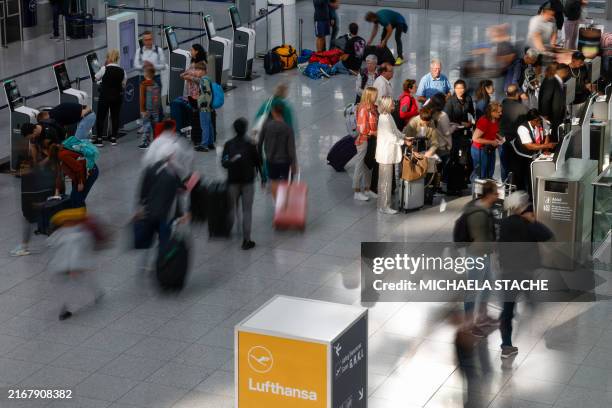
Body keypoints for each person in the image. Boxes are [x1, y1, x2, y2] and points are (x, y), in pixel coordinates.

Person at [498, 191, 553, 358]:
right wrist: (534, 221)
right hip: (525, 274)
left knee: (507, 310)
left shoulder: (504, 224)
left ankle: (506, 345)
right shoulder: (527, 224)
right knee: (532, 302)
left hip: (508, 274)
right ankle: (542, 331)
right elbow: (548, 236)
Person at [47, 207, 104, 321]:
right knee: (83, 281)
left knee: (69, 286)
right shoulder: (80, 234)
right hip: (74, 265)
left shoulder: (63, 233)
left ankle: (66, 308)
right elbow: (78, 251)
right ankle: (97, 293)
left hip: (66, 266)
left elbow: (51, 244)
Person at [462, 180, 498, 337]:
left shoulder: (484, 208)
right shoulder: (478, 213)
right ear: (489, 194)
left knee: (488, 283)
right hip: (477, 254)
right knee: (473, 289)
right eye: (496, 193)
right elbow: (481, 239)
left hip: (484, 254)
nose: (497, 196)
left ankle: (482, 316)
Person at [222, 118, 262, 250]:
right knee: (247, 211)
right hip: (247, 182)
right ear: (245, 129)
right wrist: (263, 178)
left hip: (232, 181)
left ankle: (227, 231)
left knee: (231, 208)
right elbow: (258, 162)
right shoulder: (250, 144)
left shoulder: (228, 144)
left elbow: (224, 163)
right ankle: (246, 240)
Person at [508, 109, 556, 195]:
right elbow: (529, 146)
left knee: (532, 178)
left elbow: (546, 137)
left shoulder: (542, 123)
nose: (539, 122)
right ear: (532, 120)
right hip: (521, 156)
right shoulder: (522, 128)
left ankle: (532, 197)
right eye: (537, 121)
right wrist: (546, 146)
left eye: (540, 120)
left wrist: (545, 150)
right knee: (521, 180)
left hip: (533, 155)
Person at [258, 104, 297, 199]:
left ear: (273, 112)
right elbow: (291, 148)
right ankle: (284, 200)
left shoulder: (266, 126)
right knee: (285, 181)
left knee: (274, 181)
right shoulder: (288, 128)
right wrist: (294, 163)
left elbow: (259, 143)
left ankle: (277, 203)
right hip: (285, 161)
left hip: (271, 160)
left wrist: (260, 157)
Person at [375, 96, 405, 214]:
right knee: (385, 181)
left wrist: (403, 136)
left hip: (387, 153)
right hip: (385, 154)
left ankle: (382, 205)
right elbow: (390, 136)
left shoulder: (388, 116)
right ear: (387, 105)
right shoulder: (384, 118)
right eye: (392, 103)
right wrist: (403, 141)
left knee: (385, 180)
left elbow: (395, 131)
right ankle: (384, 206)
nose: (394, 105)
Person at [49, 143, 99, 208]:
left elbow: (78, 168)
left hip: (89, 172)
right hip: (80, 174)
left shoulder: (62, 156)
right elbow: (59, 175)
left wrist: (80, 183)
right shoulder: (61, 155)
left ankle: (80, 215)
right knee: (74, 199)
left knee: (77, 200)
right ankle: (78, 213)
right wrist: (57, 190)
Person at [93, 49, 126, 147]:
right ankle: (113, 138)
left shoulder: (104, 69)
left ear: (108, 58)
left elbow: (96, 78)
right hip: (117, 97)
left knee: (101, 117)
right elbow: (123, 84)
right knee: (115, 116)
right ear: (117, 58)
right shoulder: (122, 71)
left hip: (105, 96)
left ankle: (99, 139)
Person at [177, 44, 207, 148]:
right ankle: (195, 137)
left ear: (197, 51)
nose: (190, 51)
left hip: (198, 94)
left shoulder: (202, 64)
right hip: (191, 94)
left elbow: (202, 80)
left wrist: (190, 78)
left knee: (197, 117)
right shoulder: (193, 63)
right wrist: (185, 75)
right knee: (193, 116)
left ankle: (198, 138)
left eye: (192, 50)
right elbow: (186, 73)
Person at [352, 87, 378, 202]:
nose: (376, 97)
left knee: (368, 165)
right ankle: (357, 191)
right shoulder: (363, 109)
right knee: (359, 165)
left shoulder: (372, 107)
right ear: (369, 96)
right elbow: (362, 128)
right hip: (363, 140)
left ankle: (367, 189)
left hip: (370, 140)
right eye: (375, 95)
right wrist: (374, 132)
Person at [499, 84, 528, 181]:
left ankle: (506, 187)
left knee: (504, 166)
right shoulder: (522, 108)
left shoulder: (500, 107)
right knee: (516, 167)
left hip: (501, 140)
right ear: (517, 94)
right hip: (515, 142)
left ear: (507, 93)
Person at [471, 101, 503, 182]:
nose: (501, 113)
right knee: (481, 175)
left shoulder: (495, 120)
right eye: (499, 112)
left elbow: (492, 132)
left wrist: (499, 137)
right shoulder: (484, 121)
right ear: (492, 112)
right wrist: (491, 142)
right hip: (480, 150)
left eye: (501, 111)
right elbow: (475, 138)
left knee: (489, 174)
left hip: (489, 149)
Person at [538, 63, 569, 142]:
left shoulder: (557, 80)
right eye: (567, 72)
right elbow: (545, 99)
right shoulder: (550, 80)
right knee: (551, 134)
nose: (567, 74)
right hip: (551, 116)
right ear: (562, 71)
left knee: (556, 132)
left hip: (557, 115)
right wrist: (545, 115)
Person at [445, 79, 475, 158]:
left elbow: (472, 112)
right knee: (455, 155)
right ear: (454, 89)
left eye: (462, 88)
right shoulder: (450, 101)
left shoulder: (468, 99)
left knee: (465, 155)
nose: (460, 90)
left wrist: (471, 122)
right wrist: (461, 123)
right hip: (455, 132)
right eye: (457, 88)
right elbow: (447, 117)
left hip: (466, 131)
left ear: (465, 89)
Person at [139, 65, 161, 149]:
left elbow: (142, 98)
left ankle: (145, 142)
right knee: (156, 125)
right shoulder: (156, 84)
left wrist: (142, 110)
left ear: (145, 74)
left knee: (146, 125)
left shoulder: (143, 85)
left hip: (147, 109)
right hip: (155, 109)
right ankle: (157, 141)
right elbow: (158, 98)